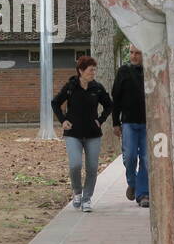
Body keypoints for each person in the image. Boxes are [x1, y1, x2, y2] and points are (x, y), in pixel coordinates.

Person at [51, 55, 112, 212]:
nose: (93, 73)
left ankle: (87, 199)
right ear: (81, 70)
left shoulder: (97, 88)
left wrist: (101, 119)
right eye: (91, 70)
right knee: (75, 165)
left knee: (92, 168)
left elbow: (109, 105)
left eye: (94, 70)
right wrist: (63, 120)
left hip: (93, 134)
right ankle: (77, 191)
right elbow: (55, 102)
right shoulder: (71, 87)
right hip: (73, 134)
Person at [111, 46, 149, 208]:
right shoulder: (123, 72)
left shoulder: (151, 71)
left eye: (138, 53)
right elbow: (116, 98)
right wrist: (115, 122)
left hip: (149, 124)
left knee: (147, 160)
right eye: (132, 53)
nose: (133, 56)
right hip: (128, 123)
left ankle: (143, 194)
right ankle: (132, 183)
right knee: (130, 157)